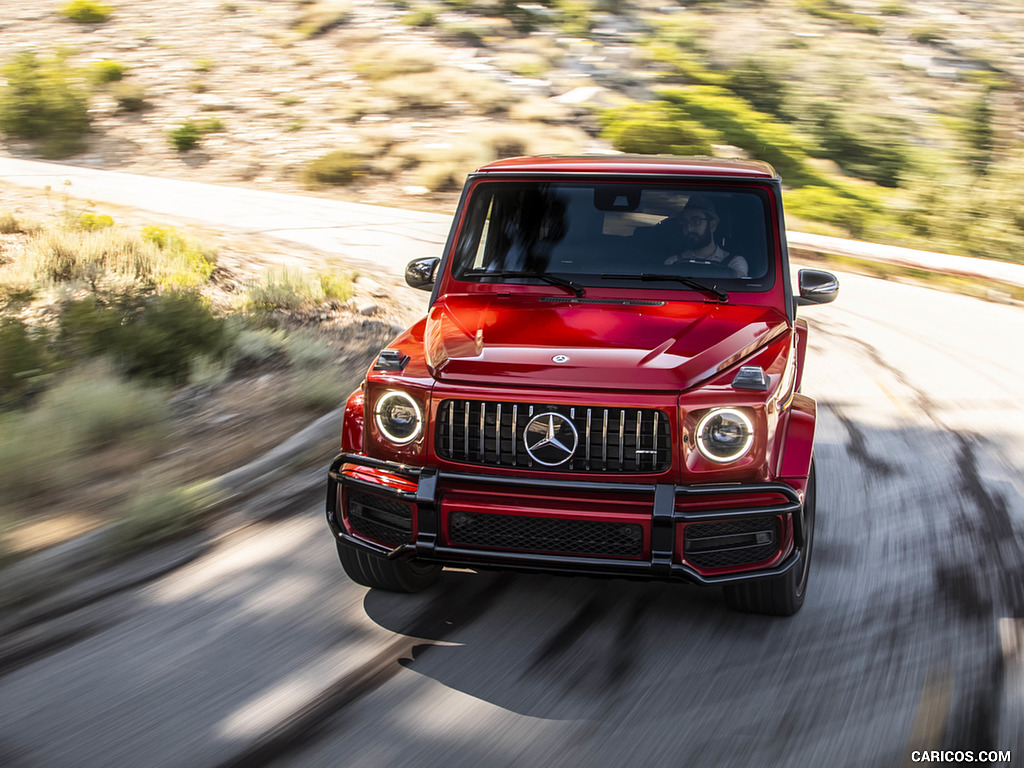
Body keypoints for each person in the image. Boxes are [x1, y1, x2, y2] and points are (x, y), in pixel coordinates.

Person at [661, 194, 749, 277]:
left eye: (696, 221)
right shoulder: (673, 262)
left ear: (712, 225)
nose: (689, 229)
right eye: (684, 223)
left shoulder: (734, 262)